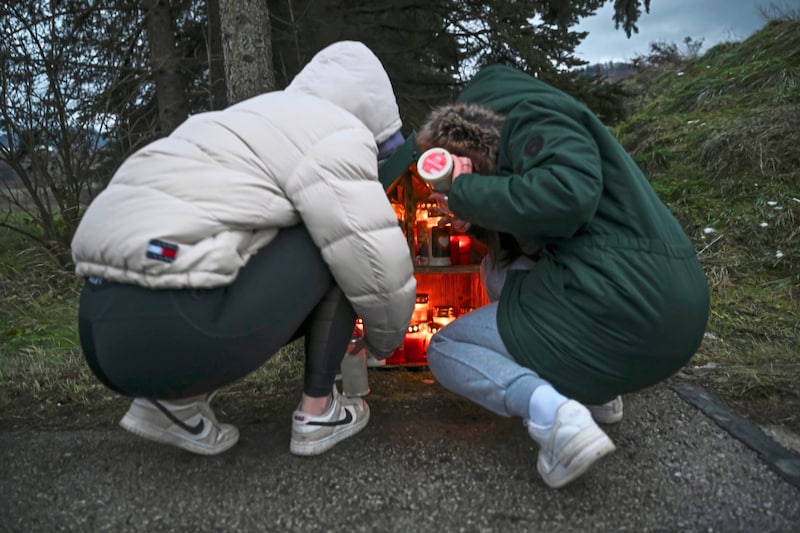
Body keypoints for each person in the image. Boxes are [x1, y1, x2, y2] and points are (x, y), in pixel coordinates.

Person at [71, 41, 416, 456]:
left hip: (98, 328)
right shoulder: (336, 132)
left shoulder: (242, 121)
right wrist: (385, 342)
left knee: (271, 238)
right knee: (340, 243)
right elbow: (372, 263)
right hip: (171, 330)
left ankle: (172, 404)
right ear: (374, 113)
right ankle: (319, 410)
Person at [410, 64, 710, 488]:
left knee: (445, 348)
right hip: (663, 306)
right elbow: (546, 232)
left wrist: (467, 193)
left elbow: (567, 197)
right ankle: (597, 395)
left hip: (627, 301)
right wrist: (476, 224)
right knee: (495, 272)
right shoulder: (540, 125)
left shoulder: (535, 115)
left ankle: (557, 420)